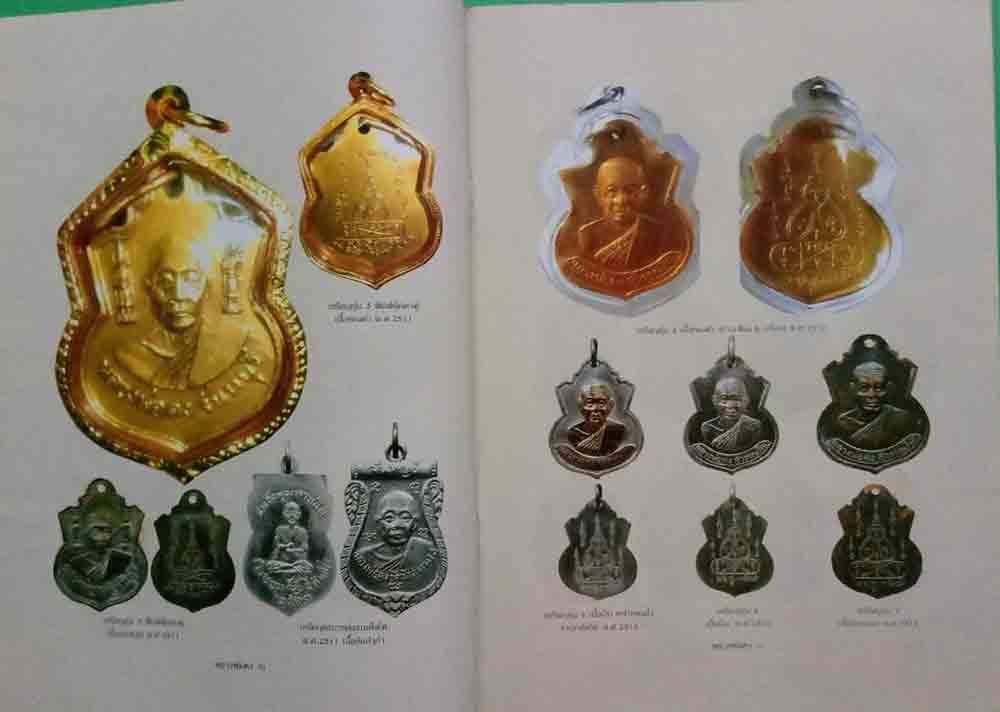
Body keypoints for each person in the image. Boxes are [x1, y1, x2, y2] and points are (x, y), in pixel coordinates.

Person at [577, 156, 672, 270]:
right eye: (612, 191)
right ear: (598, 195)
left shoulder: (657, 233)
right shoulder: (587, 234)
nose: (621, 200)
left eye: (630, 191)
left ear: (643, 193)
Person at [835, 361, 918, 449]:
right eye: (864, 388)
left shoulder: (901, 419)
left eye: (879, 388)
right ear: (853, 388)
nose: (872, 394)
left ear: (888, 388)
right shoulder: (844, 421)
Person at [355, 490, 435, 579]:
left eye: (405, 517)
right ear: (378, 523)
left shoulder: (425, 550)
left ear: (415, 524)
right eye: (389, 518)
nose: (397, 525)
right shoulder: (364, 556)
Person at [701, 376, 763, 453]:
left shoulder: (753, 426)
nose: (730, 406)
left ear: (746, 400)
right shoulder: (708, 428)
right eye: (724, 399)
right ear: (714, 400)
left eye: (737, 399)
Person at [567, 383, 626, 456]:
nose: (595, 409)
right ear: (580, 406)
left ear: (610, 406)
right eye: (590, 402)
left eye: (601, 403)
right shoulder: (573, 433)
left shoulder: (618, 431)